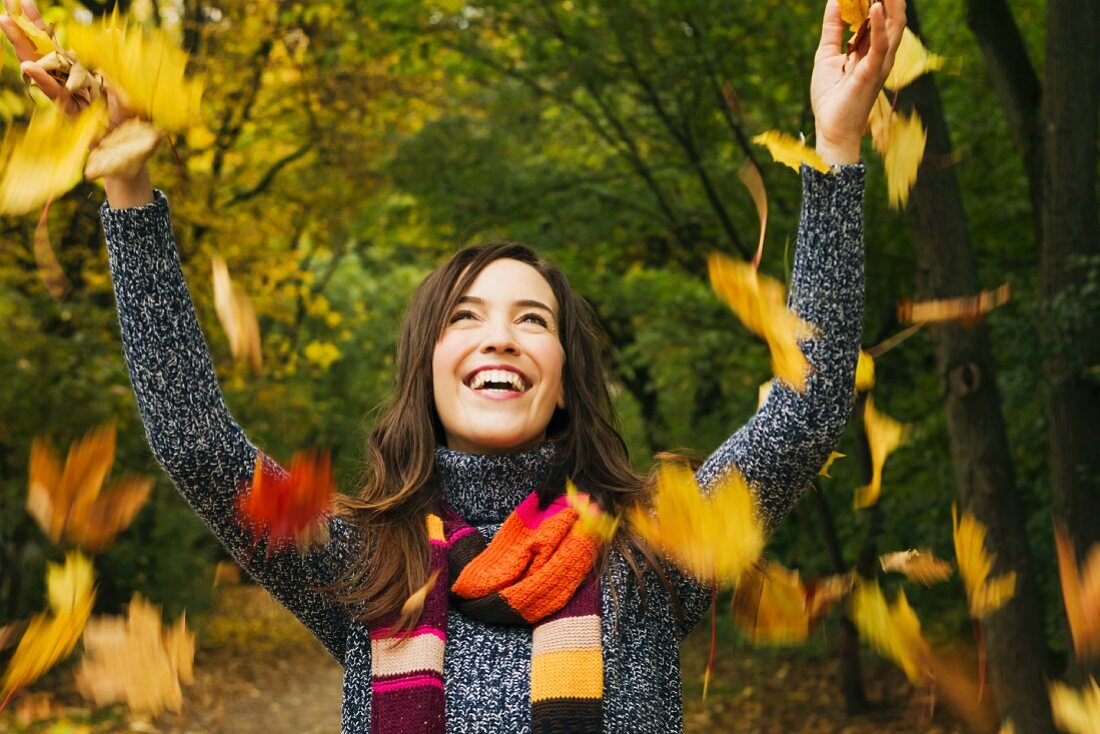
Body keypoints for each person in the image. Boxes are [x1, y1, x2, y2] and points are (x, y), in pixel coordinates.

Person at [3, 0, 905, 730]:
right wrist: (125, 181)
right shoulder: (364, 565)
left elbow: (811, 405)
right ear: (428, 370)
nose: (501, 336)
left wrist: (836, 147)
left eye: (533, 320)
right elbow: (195, 440)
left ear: (566, 377)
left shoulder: (649, 553)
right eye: (466, 317)